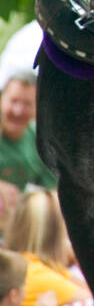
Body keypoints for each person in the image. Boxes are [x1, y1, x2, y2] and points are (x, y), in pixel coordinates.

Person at [0, 69, 56, 222]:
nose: (18, 111)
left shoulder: (40, 141)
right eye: (14, 101)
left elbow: (52, 192)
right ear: (1, 100)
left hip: (15, 225)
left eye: (27, 104)